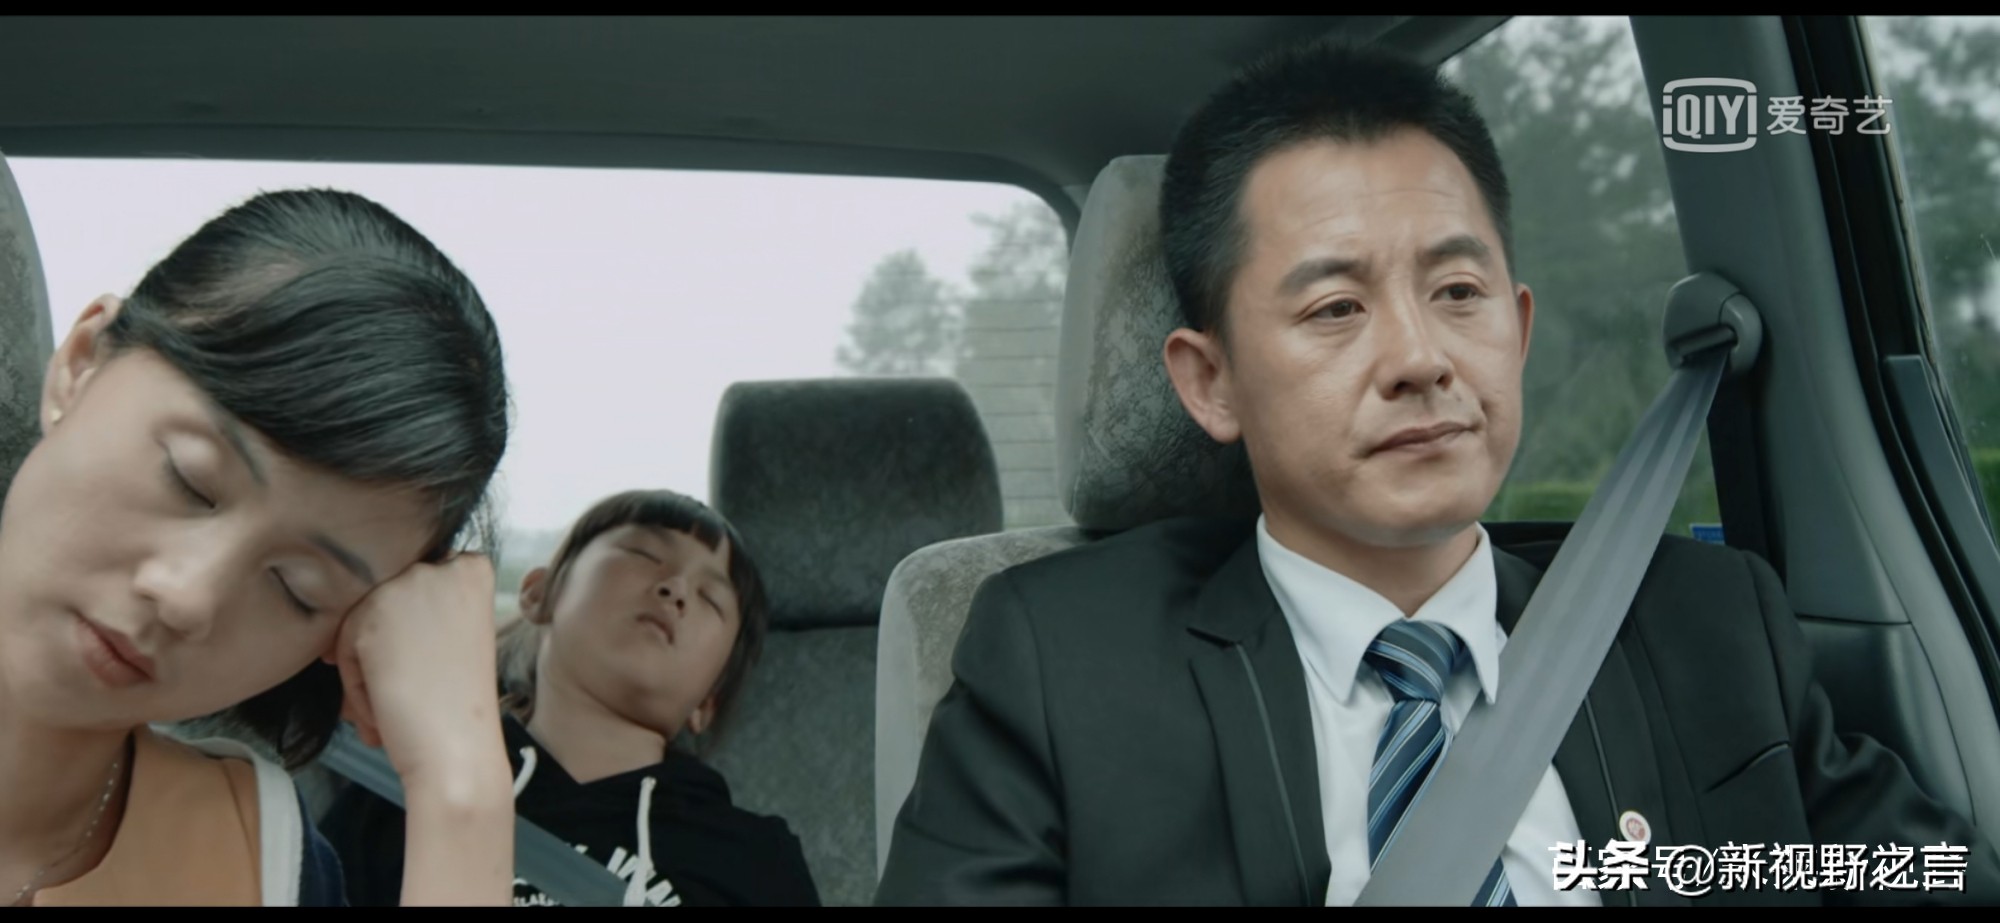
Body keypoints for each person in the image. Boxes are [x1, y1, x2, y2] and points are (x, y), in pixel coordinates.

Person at [874, 39, 2000, 906]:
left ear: (1517, 328)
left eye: (1458, 293)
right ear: (1209, 381)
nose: (1420, 358)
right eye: (1334, 307)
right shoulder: (1059, 663)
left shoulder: (1701, 620)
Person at [0, 188, 517, 906]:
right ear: (81, 363)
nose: (186, 596)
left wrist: (461, 789)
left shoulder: (264, 859)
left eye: (296, 587)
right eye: (190, 479)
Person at [322, 488, 821, 907]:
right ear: (540, 593)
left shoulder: (754, 860)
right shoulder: (404, 789)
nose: (675, 588)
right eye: (643, 555)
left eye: (711, 598)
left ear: (708, 701)